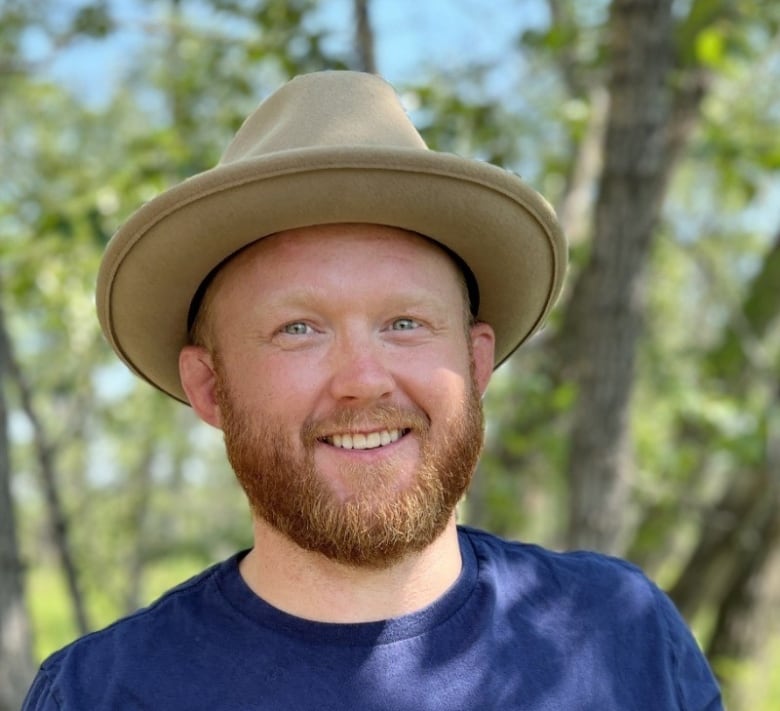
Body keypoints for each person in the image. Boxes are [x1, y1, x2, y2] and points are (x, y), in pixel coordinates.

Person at [22, 71, 723, 710]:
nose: (362, 379)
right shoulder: (101, 691)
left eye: (405, 322)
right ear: (209, 386)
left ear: (477, 363)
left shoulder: (622, 639)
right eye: (298, 328)